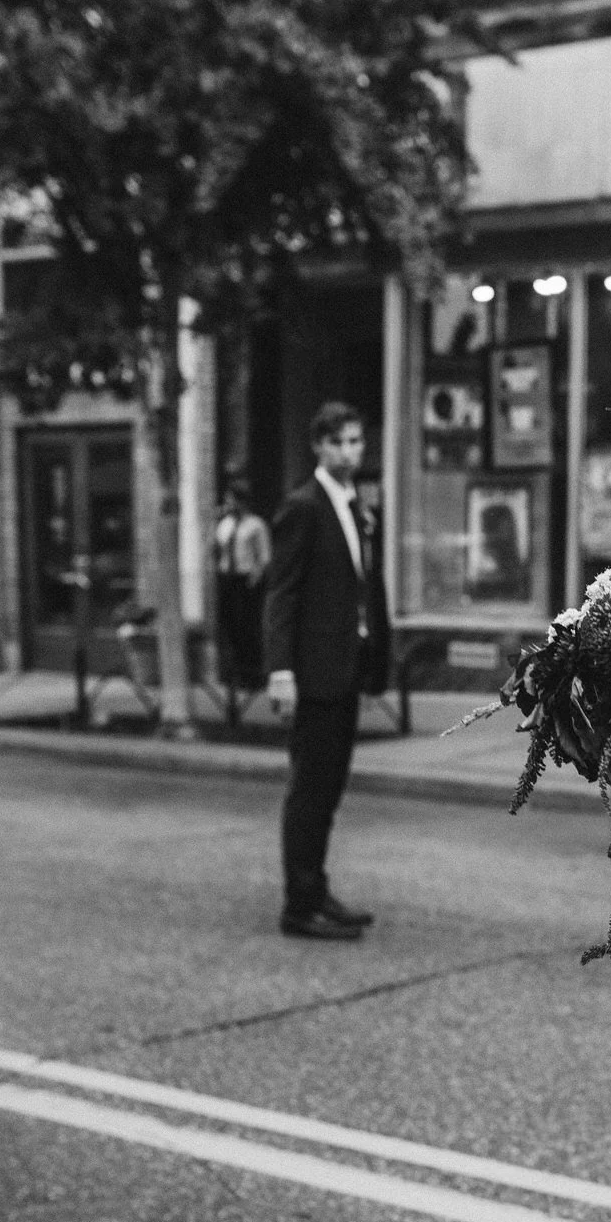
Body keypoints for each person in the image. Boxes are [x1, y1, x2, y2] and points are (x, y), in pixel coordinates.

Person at [263, 401, 391, 941]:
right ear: (318, 445)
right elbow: (282, 593)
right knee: (310, 791)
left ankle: (317, 890)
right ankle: (299, 905)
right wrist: (280, 671)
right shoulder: (303, 506)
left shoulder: (355, 504)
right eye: (338, 442)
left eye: (356, 442)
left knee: (330, 790)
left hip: (345, 669)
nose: (349, 452)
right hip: (314, 672)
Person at [213, 476, 271, 689]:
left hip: (246, 580)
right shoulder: (225, 524)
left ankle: (253, 675)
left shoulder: (256, 525)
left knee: (248, 627)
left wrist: (255, 579)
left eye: (230, 500)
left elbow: (264, 557)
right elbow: (217, 549)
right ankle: (233, 674)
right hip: (227, 579)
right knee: (230, 627)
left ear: (241, 501)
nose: (227, 504)